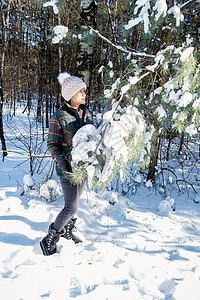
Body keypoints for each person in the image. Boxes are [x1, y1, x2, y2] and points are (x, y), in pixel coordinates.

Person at [40, 72, 93, 256]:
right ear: (70, 95)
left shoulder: (86, 113)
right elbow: (52, 145)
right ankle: (50, 239)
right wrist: (63, 164)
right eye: (80, 92)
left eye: (84, 91)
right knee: (71, 207)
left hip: (83, 168)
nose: (84, 95)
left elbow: (91, 139)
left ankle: (68, 229)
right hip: (68, 170)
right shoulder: (59, 116)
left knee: (75, 202)